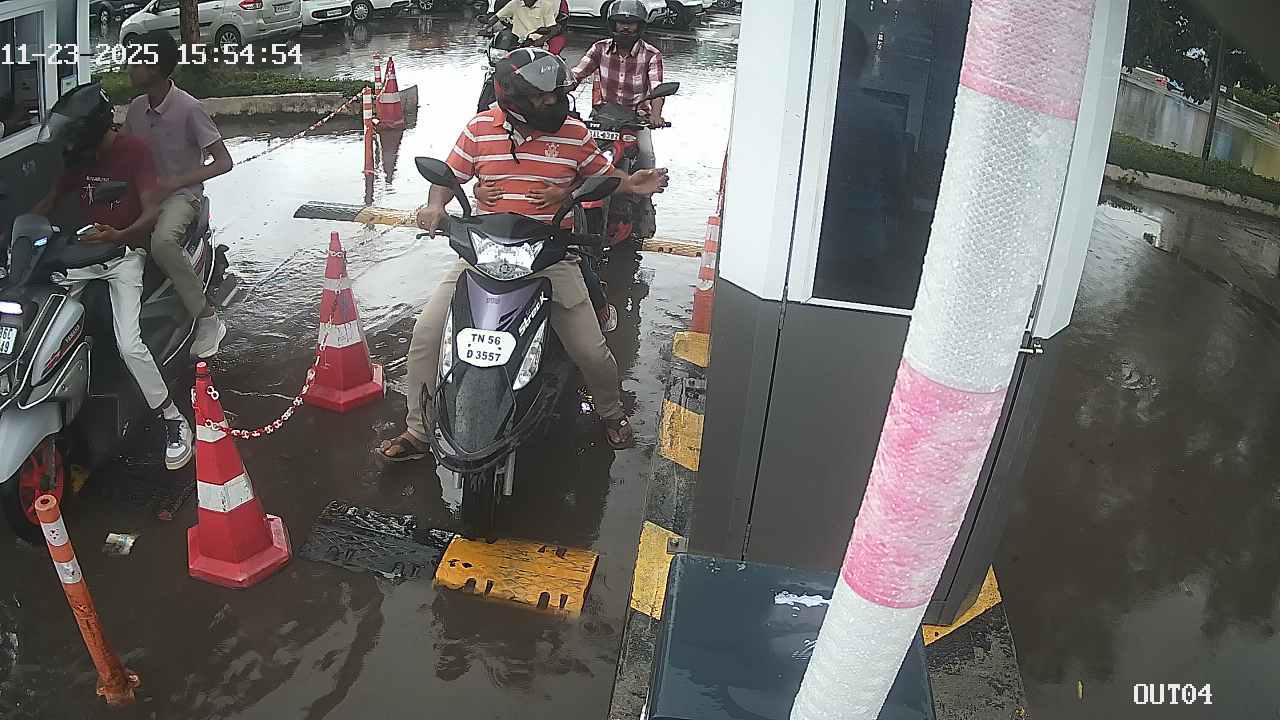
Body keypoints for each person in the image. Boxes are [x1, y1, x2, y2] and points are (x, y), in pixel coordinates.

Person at [378, 49, 668, 462]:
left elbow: (604, 177)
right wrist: (435, 206)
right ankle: (418, 431)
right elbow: (448, 176)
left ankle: (611, 414)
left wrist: (626, 185)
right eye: (542, 97)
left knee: (591, 349)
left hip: (549, 257)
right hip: (482, 256)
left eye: (556, 95)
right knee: (426, 336)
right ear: (514, 97)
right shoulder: (480, 128)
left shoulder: (573, 133)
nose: (552, 103)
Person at [31, 83, 193, 471]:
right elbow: (51, 201)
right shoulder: (80, 157)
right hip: (84, 252)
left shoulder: (134, 151)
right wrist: (20, 230)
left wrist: (119, 235)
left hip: (123, 255)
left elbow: (151, 210)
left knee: (130, 344)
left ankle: (173, 419)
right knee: (41, 322)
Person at [123, 30, 232, 359]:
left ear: (155, 68)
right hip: (145, 193)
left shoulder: (188, 108)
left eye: (136, 62)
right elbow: (124, 152)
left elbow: (224, 161)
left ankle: (207, 318)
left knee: (162, 243)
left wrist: (176, 182)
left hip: (181, 195)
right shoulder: (136, 108)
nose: (129, 68)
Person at [570, 0, 665, 170]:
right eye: (621, 23)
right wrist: (558, 91)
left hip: (637, 120)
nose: (625, 28)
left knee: (646, 154)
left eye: (631, 23)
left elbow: (657, 89)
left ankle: (646, 187)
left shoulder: (652, 55)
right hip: (602, 116)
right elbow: (576, 74)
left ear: (640, 26)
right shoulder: (599, 48)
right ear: (613, 24)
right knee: (578, 153)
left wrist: (655, 115)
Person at [482, 0, 563, 47]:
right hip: (515, 44)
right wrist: (486, 28)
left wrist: (541, 40)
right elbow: (497, 16)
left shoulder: (546, 6)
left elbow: (553, 29)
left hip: (536, 45)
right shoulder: (515, 3)